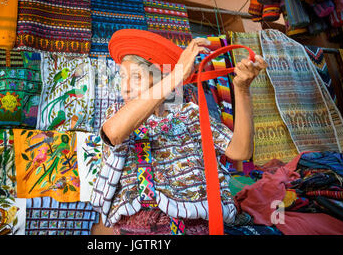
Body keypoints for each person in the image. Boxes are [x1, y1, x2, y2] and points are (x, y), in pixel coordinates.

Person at [90, 30, 268, 235]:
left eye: (136, 77)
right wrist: (176, 75)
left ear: (160, 80)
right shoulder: (117, 116)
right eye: (122, 77)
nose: (126, 87)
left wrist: (242, 89)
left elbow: (240, 151)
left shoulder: (189, 115)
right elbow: (113, 134)